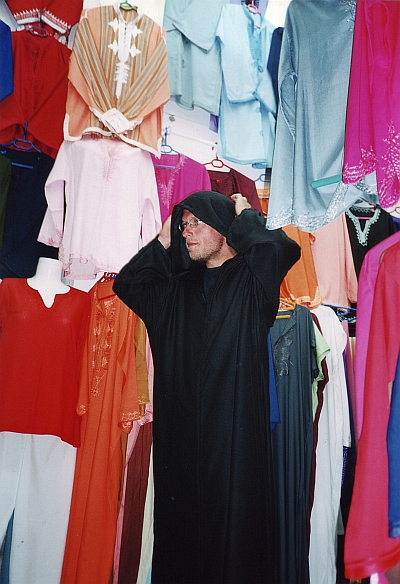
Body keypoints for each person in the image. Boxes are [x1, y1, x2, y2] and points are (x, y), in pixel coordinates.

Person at [113, 191, 301, 584]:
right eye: (183, 225)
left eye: (197, 222)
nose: (187, 231)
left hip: (234, 443)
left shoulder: (252, 284)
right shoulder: (174, 292)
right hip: (180, 448)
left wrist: (245, 215)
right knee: (180, 543)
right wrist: (164, 237)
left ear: (224, 227)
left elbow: (279, 247)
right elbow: (129, 284)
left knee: (234, 544)